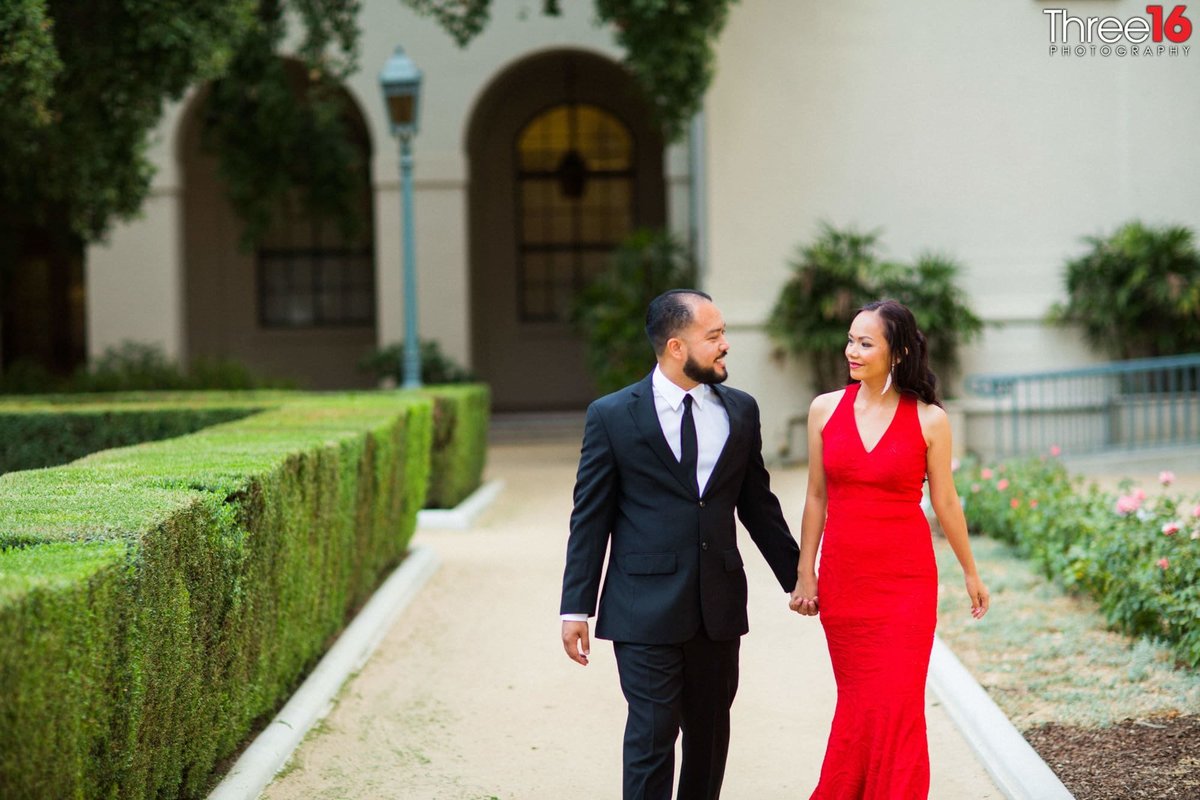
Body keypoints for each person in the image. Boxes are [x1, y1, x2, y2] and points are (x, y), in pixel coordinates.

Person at [560, 289, 801, 800]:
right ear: (675, 346)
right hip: (641, 606)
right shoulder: (612, 415)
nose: (725, 345)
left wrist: (800, 577)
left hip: (718, 605)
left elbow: (757, 505)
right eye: (713, 336)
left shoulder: (741, 410)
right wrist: (575, 607)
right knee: (651, 733)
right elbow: (590, 517)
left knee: (710, 737)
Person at [790, 298, 989, 799]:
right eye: (850, 340)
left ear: (897, 352)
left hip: (905, 586)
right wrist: (805, 573)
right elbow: (816, 496)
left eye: (864, 342)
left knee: (898, 706)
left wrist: (970, 571)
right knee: (860, 704)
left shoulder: (929, 420)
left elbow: (945, 499)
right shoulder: (823, 410)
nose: (850, 350)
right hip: (846, 582)